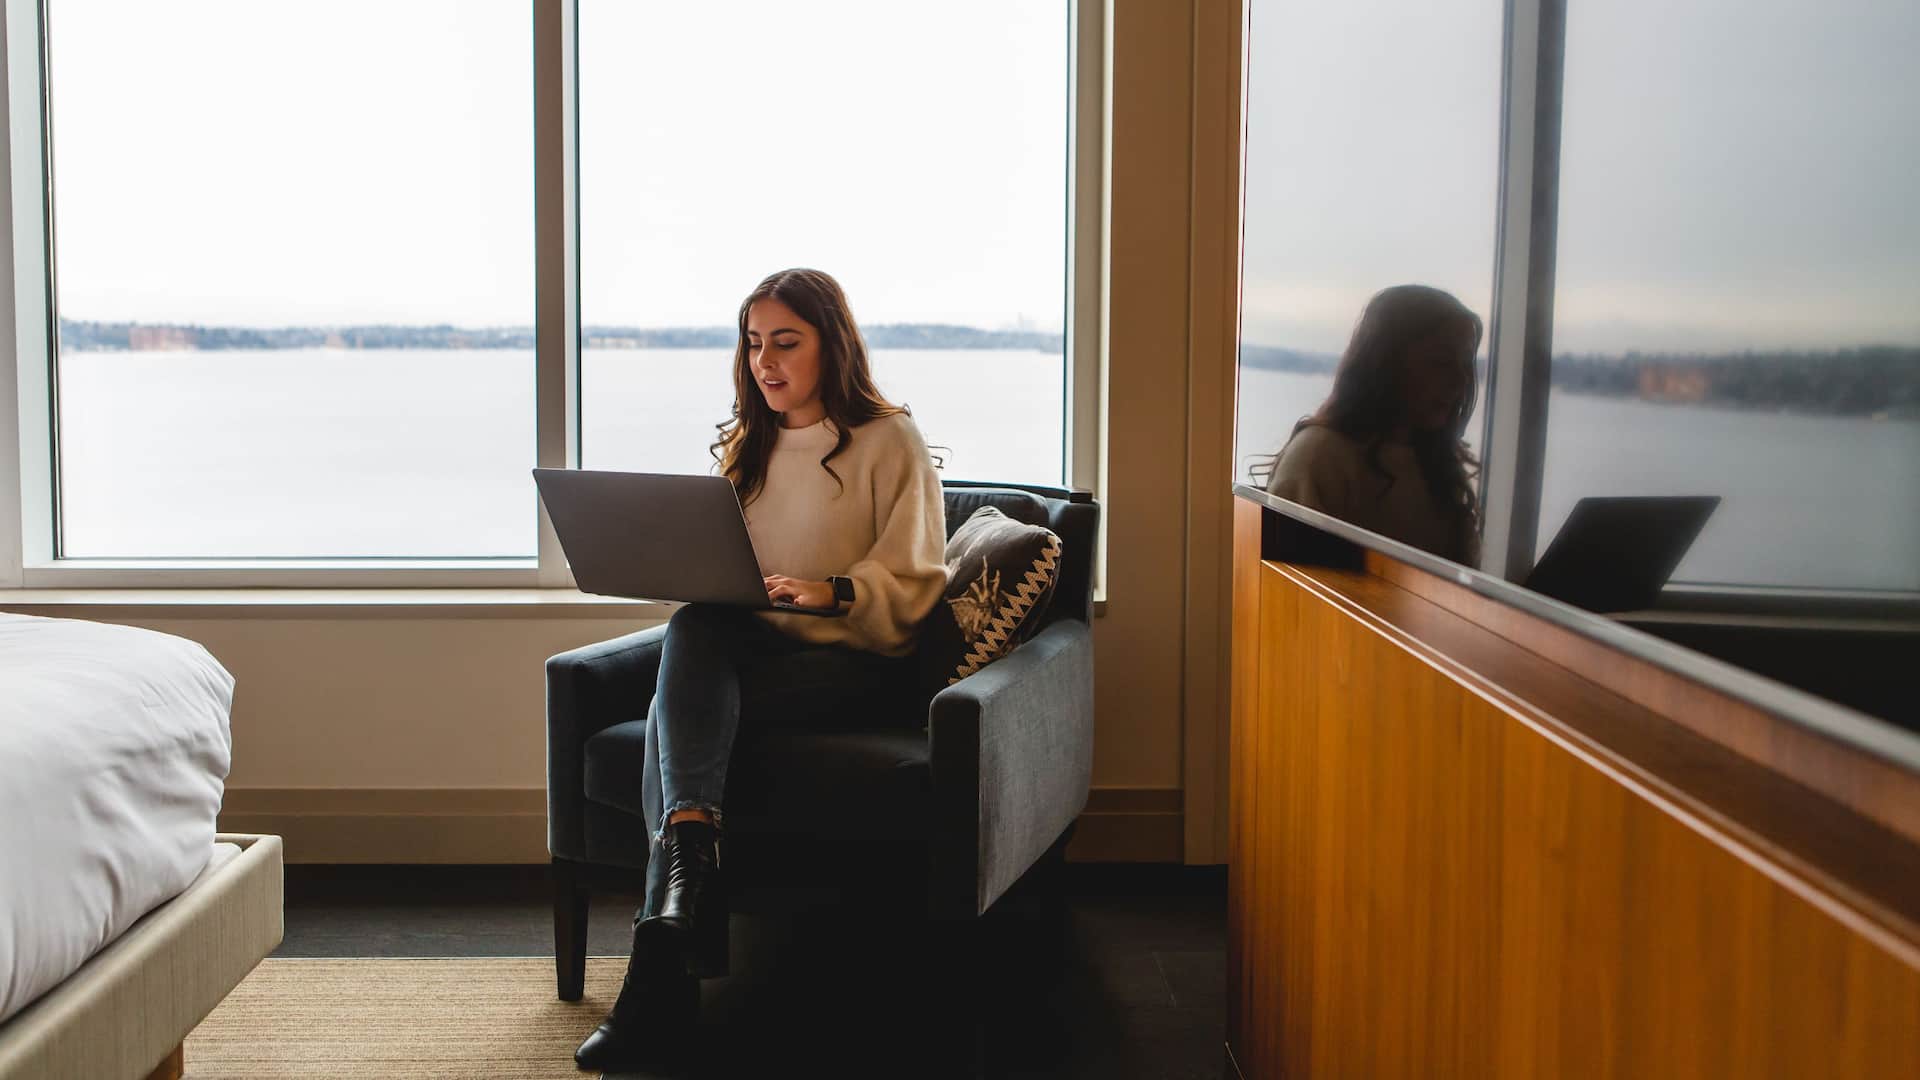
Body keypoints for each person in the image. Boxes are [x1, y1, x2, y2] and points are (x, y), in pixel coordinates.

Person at [574, 268, 948, 1070]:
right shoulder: (751, 443)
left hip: (857, 661)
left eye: (786, 342)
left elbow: (917, 582)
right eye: (753, 344)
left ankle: (661, 974)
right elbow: (726, 571)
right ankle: (689, 862)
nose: (765, 362)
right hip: (757, 652)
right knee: (697, 625)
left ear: (831, 346)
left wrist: (830, 590)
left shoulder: (891, 440)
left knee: (676, 730)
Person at [1257, 284, 1483, 564]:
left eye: (1465, 364)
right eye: (1440, 362)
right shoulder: (1322, 456)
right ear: (1386, 362)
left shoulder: (1436, 465)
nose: (1460, 381)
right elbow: (1292, 591)